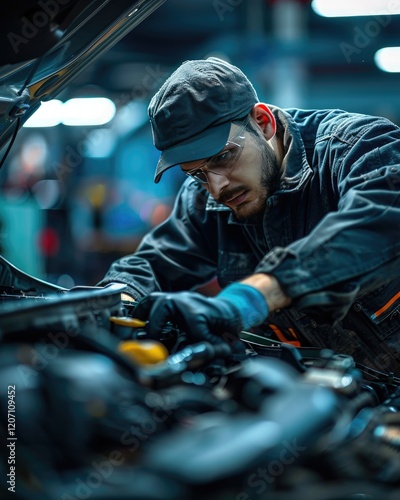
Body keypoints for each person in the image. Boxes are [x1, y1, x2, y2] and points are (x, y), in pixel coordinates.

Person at [98, 57, 400, 375]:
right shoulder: (203, 199)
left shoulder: (357, 147)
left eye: (224, 157)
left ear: (263, 122)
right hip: (342, 400)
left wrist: (249, 298)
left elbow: (383, 219)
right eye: (197, 173)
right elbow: (151, 264)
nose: (216, 188)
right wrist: (114, 301)